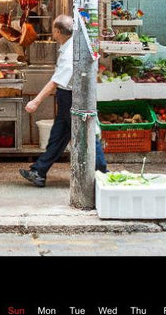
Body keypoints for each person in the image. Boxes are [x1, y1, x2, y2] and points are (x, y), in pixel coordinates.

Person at [19, 15, 106, 187]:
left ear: (58, 32)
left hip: (72, 97)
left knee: (87, 134)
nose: (53, 32)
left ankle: (103, 173)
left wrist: (35, 101)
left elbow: (55, 82)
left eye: (53, 29)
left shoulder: (69, 53)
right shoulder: (71, 46)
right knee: (58, 136)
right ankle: (39, 171)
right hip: (70, 96)